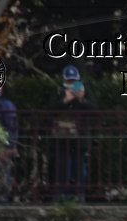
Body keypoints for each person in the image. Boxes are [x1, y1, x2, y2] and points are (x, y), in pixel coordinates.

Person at [50, 64, 91, 201]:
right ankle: (63, 196)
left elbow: (95, 111)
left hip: (80, 139)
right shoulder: (58, 92)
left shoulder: (84, 92)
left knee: (79, 168)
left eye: (74, 81)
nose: (72, 85)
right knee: (63, 167)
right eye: (69, 81)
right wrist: (65, 101)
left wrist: (81, 99)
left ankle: (79, 195)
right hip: (62, 138)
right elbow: (51, 110)